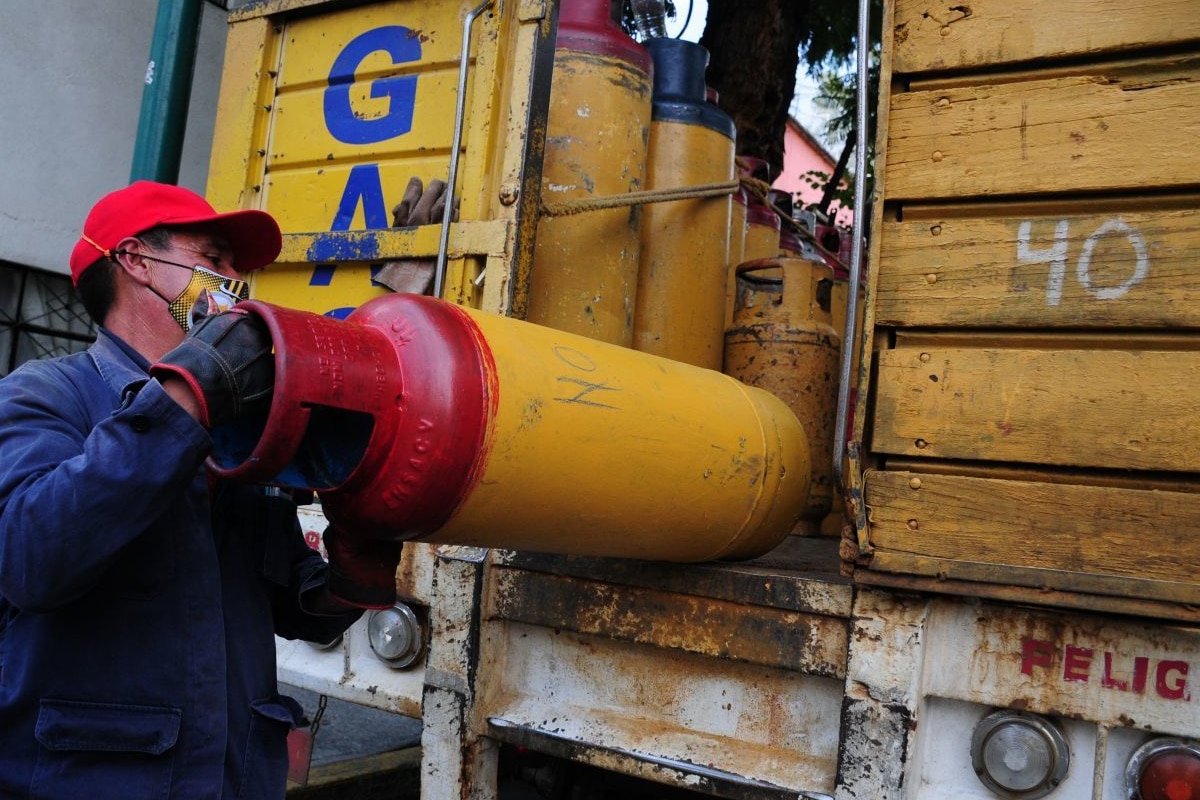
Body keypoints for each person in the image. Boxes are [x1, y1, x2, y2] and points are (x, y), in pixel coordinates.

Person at [0, 181, 401, 799]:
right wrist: (188, 394)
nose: (238, 282)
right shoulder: (45, 396)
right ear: (136, 260)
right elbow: (33, 559)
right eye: (216, 260)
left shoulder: (243, 428)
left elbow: (300, 610)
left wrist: (349, 573)